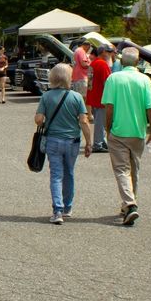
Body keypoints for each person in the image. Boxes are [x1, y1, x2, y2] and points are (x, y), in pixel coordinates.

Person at [100, 47, 151, 226]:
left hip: (118, 131)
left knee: (121, 170)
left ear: (122, 61)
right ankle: (129, 203)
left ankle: (130, 204)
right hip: (138, 132)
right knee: (134, 169)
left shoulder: (113, 79)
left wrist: (107, 129)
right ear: (138, 61)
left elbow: (108, 108)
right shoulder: (144, 80)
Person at [34, 63, 92, 224]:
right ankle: (67, 207)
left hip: (53, 140)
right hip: (72, 141)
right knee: (69, 173)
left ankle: (57, 211)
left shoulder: (46, 96)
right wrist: (89, 142)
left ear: (52, 77)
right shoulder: (76, 97)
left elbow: (38, 119)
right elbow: (84, 121)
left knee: (56, 175)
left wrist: (44, 120)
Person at [86, 44, 114, 152]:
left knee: (100, 121)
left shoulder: (94, 62)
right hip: (101, 97)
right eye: (108, 52)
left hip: (94, 95)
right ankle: (98, 144)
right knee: (100, 122)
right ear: (103, 52)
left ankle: (101, 141)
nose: (110, 54)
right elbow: (107, 82)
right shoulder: (102, 64)